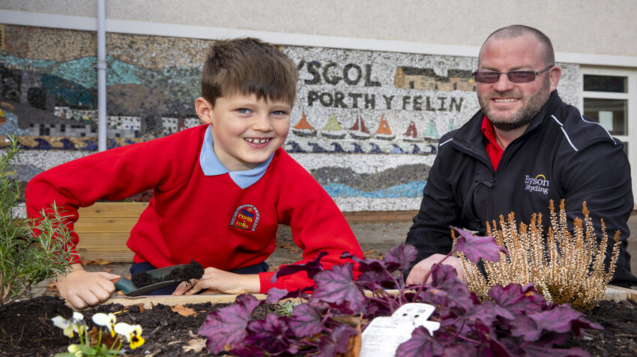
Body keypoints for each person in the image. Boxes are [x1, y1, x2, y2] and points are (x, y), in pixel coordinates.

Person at [26, 38, 364, 309]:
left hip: (241, 280)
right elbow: (50, 188)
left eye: (278, 112)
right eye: (244, 110)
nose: (263, 125)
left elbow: (346, 265)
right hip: (158, 276)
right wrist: (67, 271)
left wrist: (251, 283)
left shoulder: (290, 180)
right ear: (207, 111)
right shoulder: (170, 155)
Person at [405, 25, 637, 287]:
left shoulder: (590, 150)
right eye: (488, 74)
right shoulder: (455, 148)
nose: (502, 86)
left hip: (592, 308)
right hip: (486, 303)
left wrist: (476, 270)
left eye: (521, 74)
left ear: (552, 78)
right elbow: (428, 233)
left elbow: (588, 256)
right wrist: (416, 286)